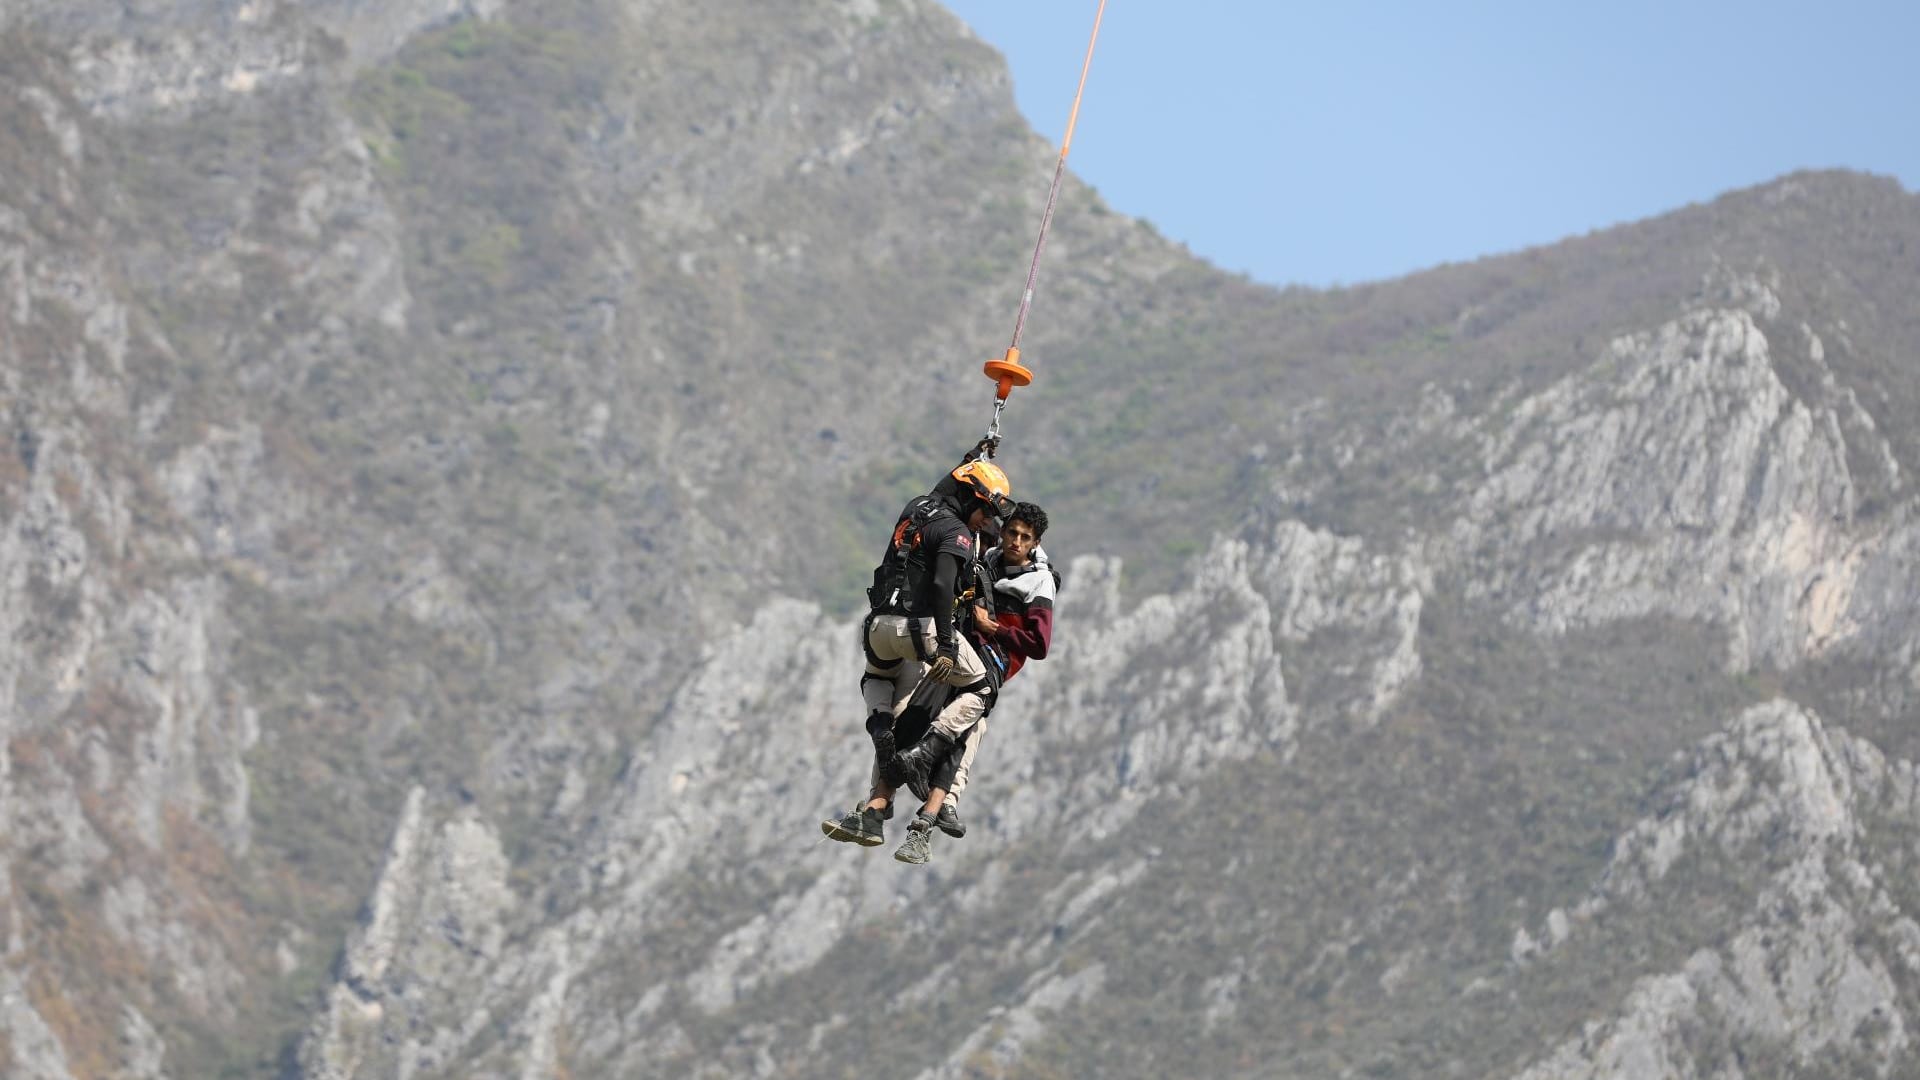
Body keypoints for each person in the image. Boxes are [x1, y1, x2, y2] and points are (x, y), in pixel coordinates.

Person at [821, 445, 1013, 858]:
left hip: (877, 627)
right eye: (985, 511)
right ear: (971, 500)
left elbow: (953, 484)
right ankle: (919, 755)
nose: (987, 522)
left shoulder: (918, 507)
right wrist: (946, 642)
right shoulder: (958, 533)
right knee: (981, 688)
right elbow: (944, 587)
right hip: (920, 630)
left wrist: (976, 455)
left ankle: (877, 784)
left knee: (878, 682)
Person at [922, 501, 1056, 842]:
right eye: (1012, 532)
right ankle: (938, 800)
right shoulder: (990, 560)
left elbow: (1039, 645)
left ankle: (937, 788)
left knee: (968, 718)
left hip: (996, 660)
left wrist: (993, 628)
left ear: (1035, 544)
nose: (1016, 541)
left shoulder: (1038, 582)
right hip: (967, 648)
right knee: (969, 722)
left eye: (1026, 537)